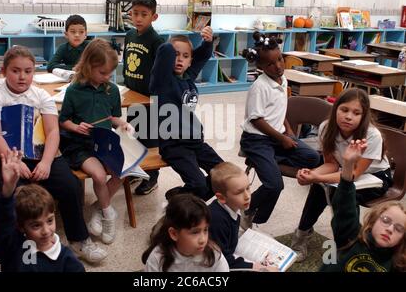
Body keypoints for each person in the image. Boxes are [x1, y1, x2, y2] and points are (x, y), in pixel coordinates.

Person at [0, 45, 107, 264]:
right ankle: (9, 254)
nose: (22, 76)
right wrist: (15, 163)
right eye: (15, 70)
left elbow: (52, 132)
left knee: (70, 186)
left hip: (41, 153)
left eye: (28, 71)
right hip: (9, 156)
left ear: (34, 72)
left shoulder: (41, 95)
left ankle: (80, 239)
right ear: (3, 71)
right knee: (15, 195)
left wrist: (47, 162)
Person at [292, 88, 393, 262]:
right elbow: (331, 164)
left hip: (375, 177)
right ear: (336, 108)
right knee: (319, 188)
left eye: (356, 113)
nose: (348, 116)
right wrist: (311, 174)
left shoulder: (371, 135)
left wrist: (318, 178)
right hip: (344, 172)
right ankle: (302, 233)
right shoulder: (325, 127)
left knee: (342, 194)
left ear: (364, 116)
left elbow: (352, 174)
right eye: (344, 110)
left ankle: (349, 244)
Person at [240, 32, 320, 228]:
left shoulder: (282, 80)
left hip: (276, 137)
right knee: (275, 185)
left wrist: (289, 132)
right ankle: (248, 210)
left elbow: (280, 109)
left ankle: (269, 163)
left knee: (313, 158)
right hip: (256, 140)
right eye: (270, 64)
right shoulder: (260, 87)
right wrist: (282, 138)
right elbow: (257, 120)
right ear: (260, 67)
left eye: (280, 59)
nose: (278, 66)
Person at [59, 38, 133, 245]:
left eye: (110, 73)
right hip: (79, 144)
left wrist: (123, 124)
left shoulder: (111, 90)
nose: (107, 77)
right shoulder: (74, 90)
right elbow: (63, 120)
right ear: (88, 66)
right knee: (99, 177)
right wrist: (77, 127)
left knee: (125, 170)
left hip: (105, 142)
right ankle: (109, 215)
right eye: (102, 73)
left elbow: (113, 117)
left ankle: (98, 207)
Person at [150, 26, 224, 201]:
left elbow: (202, 56)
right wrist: (169, 46)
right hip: (173, 145)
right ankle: (179, 202)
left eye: (185, 56)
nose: (179, 60)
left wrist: (207, 42)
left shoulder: (188, 76)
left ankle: (185, 197)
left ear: (191, 61)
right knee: (199, 184)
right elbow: (163, 55)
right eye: (175, 55)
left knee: (223, 175)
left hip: (195, 141)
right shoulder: (163, 80)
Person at [0, 149, 85, 272]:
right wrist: (7, 191)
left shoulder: (67, 260)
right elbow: (0, 233)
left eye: (50, 221)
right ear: (21, 226)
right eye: (36, 225)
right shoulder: (12, 248)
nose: (46, 231)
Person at [321, 139, 406, 272]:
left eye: (399, 229)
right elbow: (345, 207)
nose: (390, 229)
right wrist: (348, 165)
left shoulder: (397, 263)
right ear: (373, 221)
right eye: (385, 220)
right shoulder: (351, 236)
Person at [123, 0, 164, 195]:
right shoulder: (130, 35)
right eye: (135, 13)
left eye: (144, 14)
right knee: (133, 136)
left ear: (153, 17)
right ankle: (137, 170)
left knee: (150, 139)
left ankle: (153, 177)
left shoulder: (157, 41)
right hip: (132, 96)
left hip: (150, 99)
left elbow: (161, 71)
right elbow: (126, 59)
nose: (138, 18)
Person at [208, 162, 278, 272]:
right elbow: (222, 260)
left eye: (248, 188)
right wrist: (258, 267)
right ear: (221, 198)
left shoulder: (231, 208)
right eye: (239, 192)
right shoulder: (217, 221)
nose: (247, 196)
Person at [142, 193, 229, 272]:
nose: (203, 240)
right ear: (174, 234)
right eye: (195, 232)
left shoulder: (214, 255)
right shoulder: (157, 258)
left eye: (205, 230)